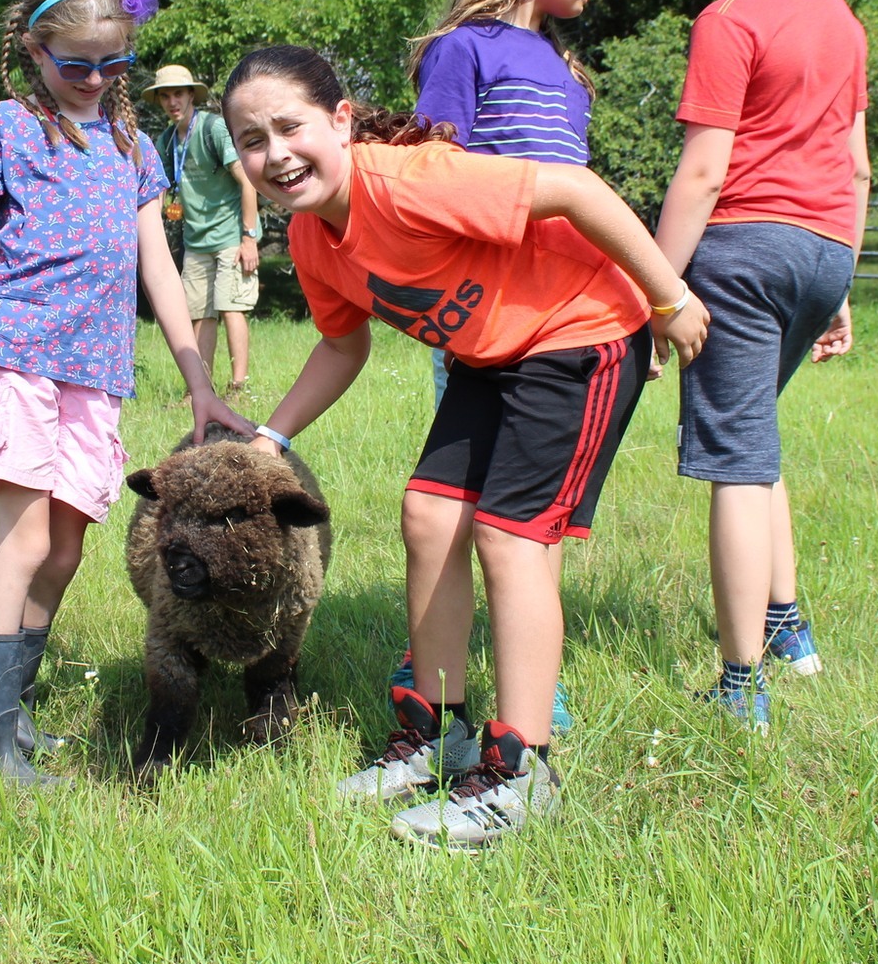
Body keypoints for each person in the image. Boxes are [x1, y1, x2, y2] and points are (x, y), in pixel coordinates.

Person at [222, 44, 709, 851]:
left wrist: (669, 295)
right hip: (493, 356)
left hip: (582, 332)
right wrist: (273, 436)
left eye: (289, 127)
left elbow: (576, 188)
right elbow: (344, 349)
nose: (273, 154)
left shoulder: (408, 180)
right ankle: (436, 734)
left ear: (341, 121)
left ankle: (523, 771)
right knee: (429, 516)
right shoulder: (314, 239)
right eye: (250, 140)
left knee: (510, 535)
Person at [0, 0, 250, 784]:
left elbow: (159, 265)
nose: (96, 78)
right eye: (76, 65)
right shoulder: (6, 126)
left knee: (67, 544)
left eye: (114, 63)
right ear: (35, 50)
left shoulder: (132, 142)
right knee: (26, 536)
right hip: (15, 355)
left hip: (95, 369)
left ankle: (11, 701)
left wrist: (199, 379)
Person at [651, 0, 872, 728]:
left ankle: (742, 686)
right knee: (759, 435)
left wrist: (658, 287)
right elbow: (855, 164)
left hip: (743, 253)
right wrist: (841, 281)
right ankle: (790, 628)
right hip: (823, 249)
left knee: (735, 463)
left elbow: (705, 169)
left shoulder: (730, 18)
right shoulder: (843, 19)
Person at [383, 0, 609, 736]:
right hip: (489, 323)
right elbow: (436, 176)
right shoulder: (462, 50)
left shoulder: (561, 65)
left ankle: (527, 699)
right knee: (447, 509)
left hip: (569, 324)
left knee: (522, 523)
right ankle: (434, 684)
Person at [147, 63, 261, 397]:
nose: (172, 102)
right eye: (165, 96)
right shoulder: (166, 141)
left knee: (231, 307)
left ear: (190, 95)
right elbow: (160, 191)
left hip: (230, 236)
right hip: (195, 240)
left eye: (178, 94)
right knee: (199, 314)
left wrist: (248, 238)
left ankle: (238, 385)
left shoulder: (213, 128)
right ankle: (200, 390)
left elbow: (248, 183)